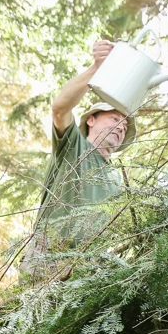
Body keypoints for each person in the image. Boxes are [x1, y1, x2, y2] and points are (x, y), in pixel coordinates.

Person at [23, 40, 137, 272]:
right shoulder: (74, 146)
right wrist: (96, 69)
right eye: (114, 119)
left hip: (88, 268)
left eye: (125, 125)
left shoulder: (117, 180)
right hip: (48, 255)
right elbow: (60, 109)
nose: (120, 127)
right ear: (92, 119)